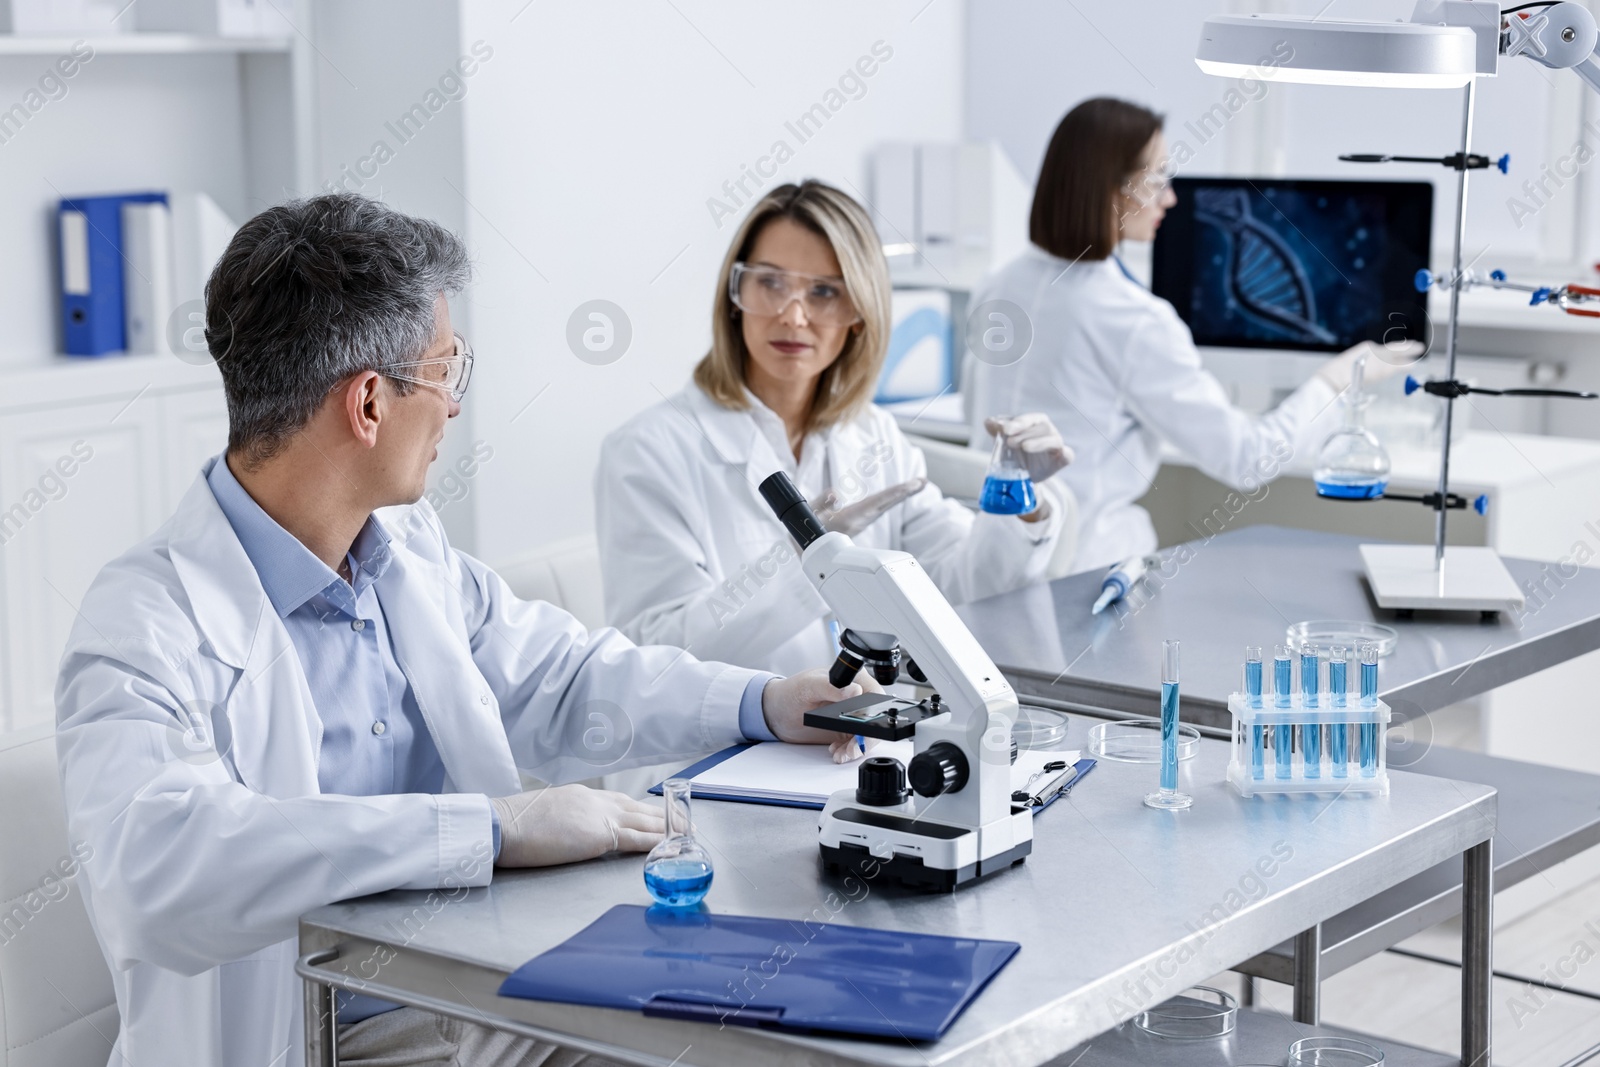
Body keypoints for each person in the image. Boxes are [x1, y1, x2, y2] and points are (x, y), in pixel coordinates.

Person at [54, 194, 869, 1067]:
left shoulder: (406, 545)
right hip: (320, 1038)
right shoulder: (145, 622)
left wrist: (765, 700)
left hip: (485, 993)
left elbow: (560, 676)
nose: (451, 407)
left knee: (791, 1026)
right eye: (448, 371)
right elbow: (156, 872)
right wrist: (488, 829)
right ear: (369, 402)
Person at [595, 180, 1074, 678]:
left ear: (859, 316)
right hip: (731, 747)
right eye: (770, 283)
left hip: (859, 741)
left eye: (824, 291)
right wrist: (811, 567)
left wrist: (1021, 501)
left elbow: (966, 587)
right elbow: (657, 657)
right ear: (735, 297)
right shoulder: (646, 453)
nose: (793, 315)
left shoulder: (874, 436)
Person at [963, 97, 1419, 574]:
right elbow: (1249, 459)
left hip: (991, 561)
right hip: (1078, 572)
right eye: (1157, 178)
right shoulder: (1133, 319)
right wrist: (1338, 379)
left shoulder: (995, 287)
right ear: (1113, 190)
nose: (1170, 198)